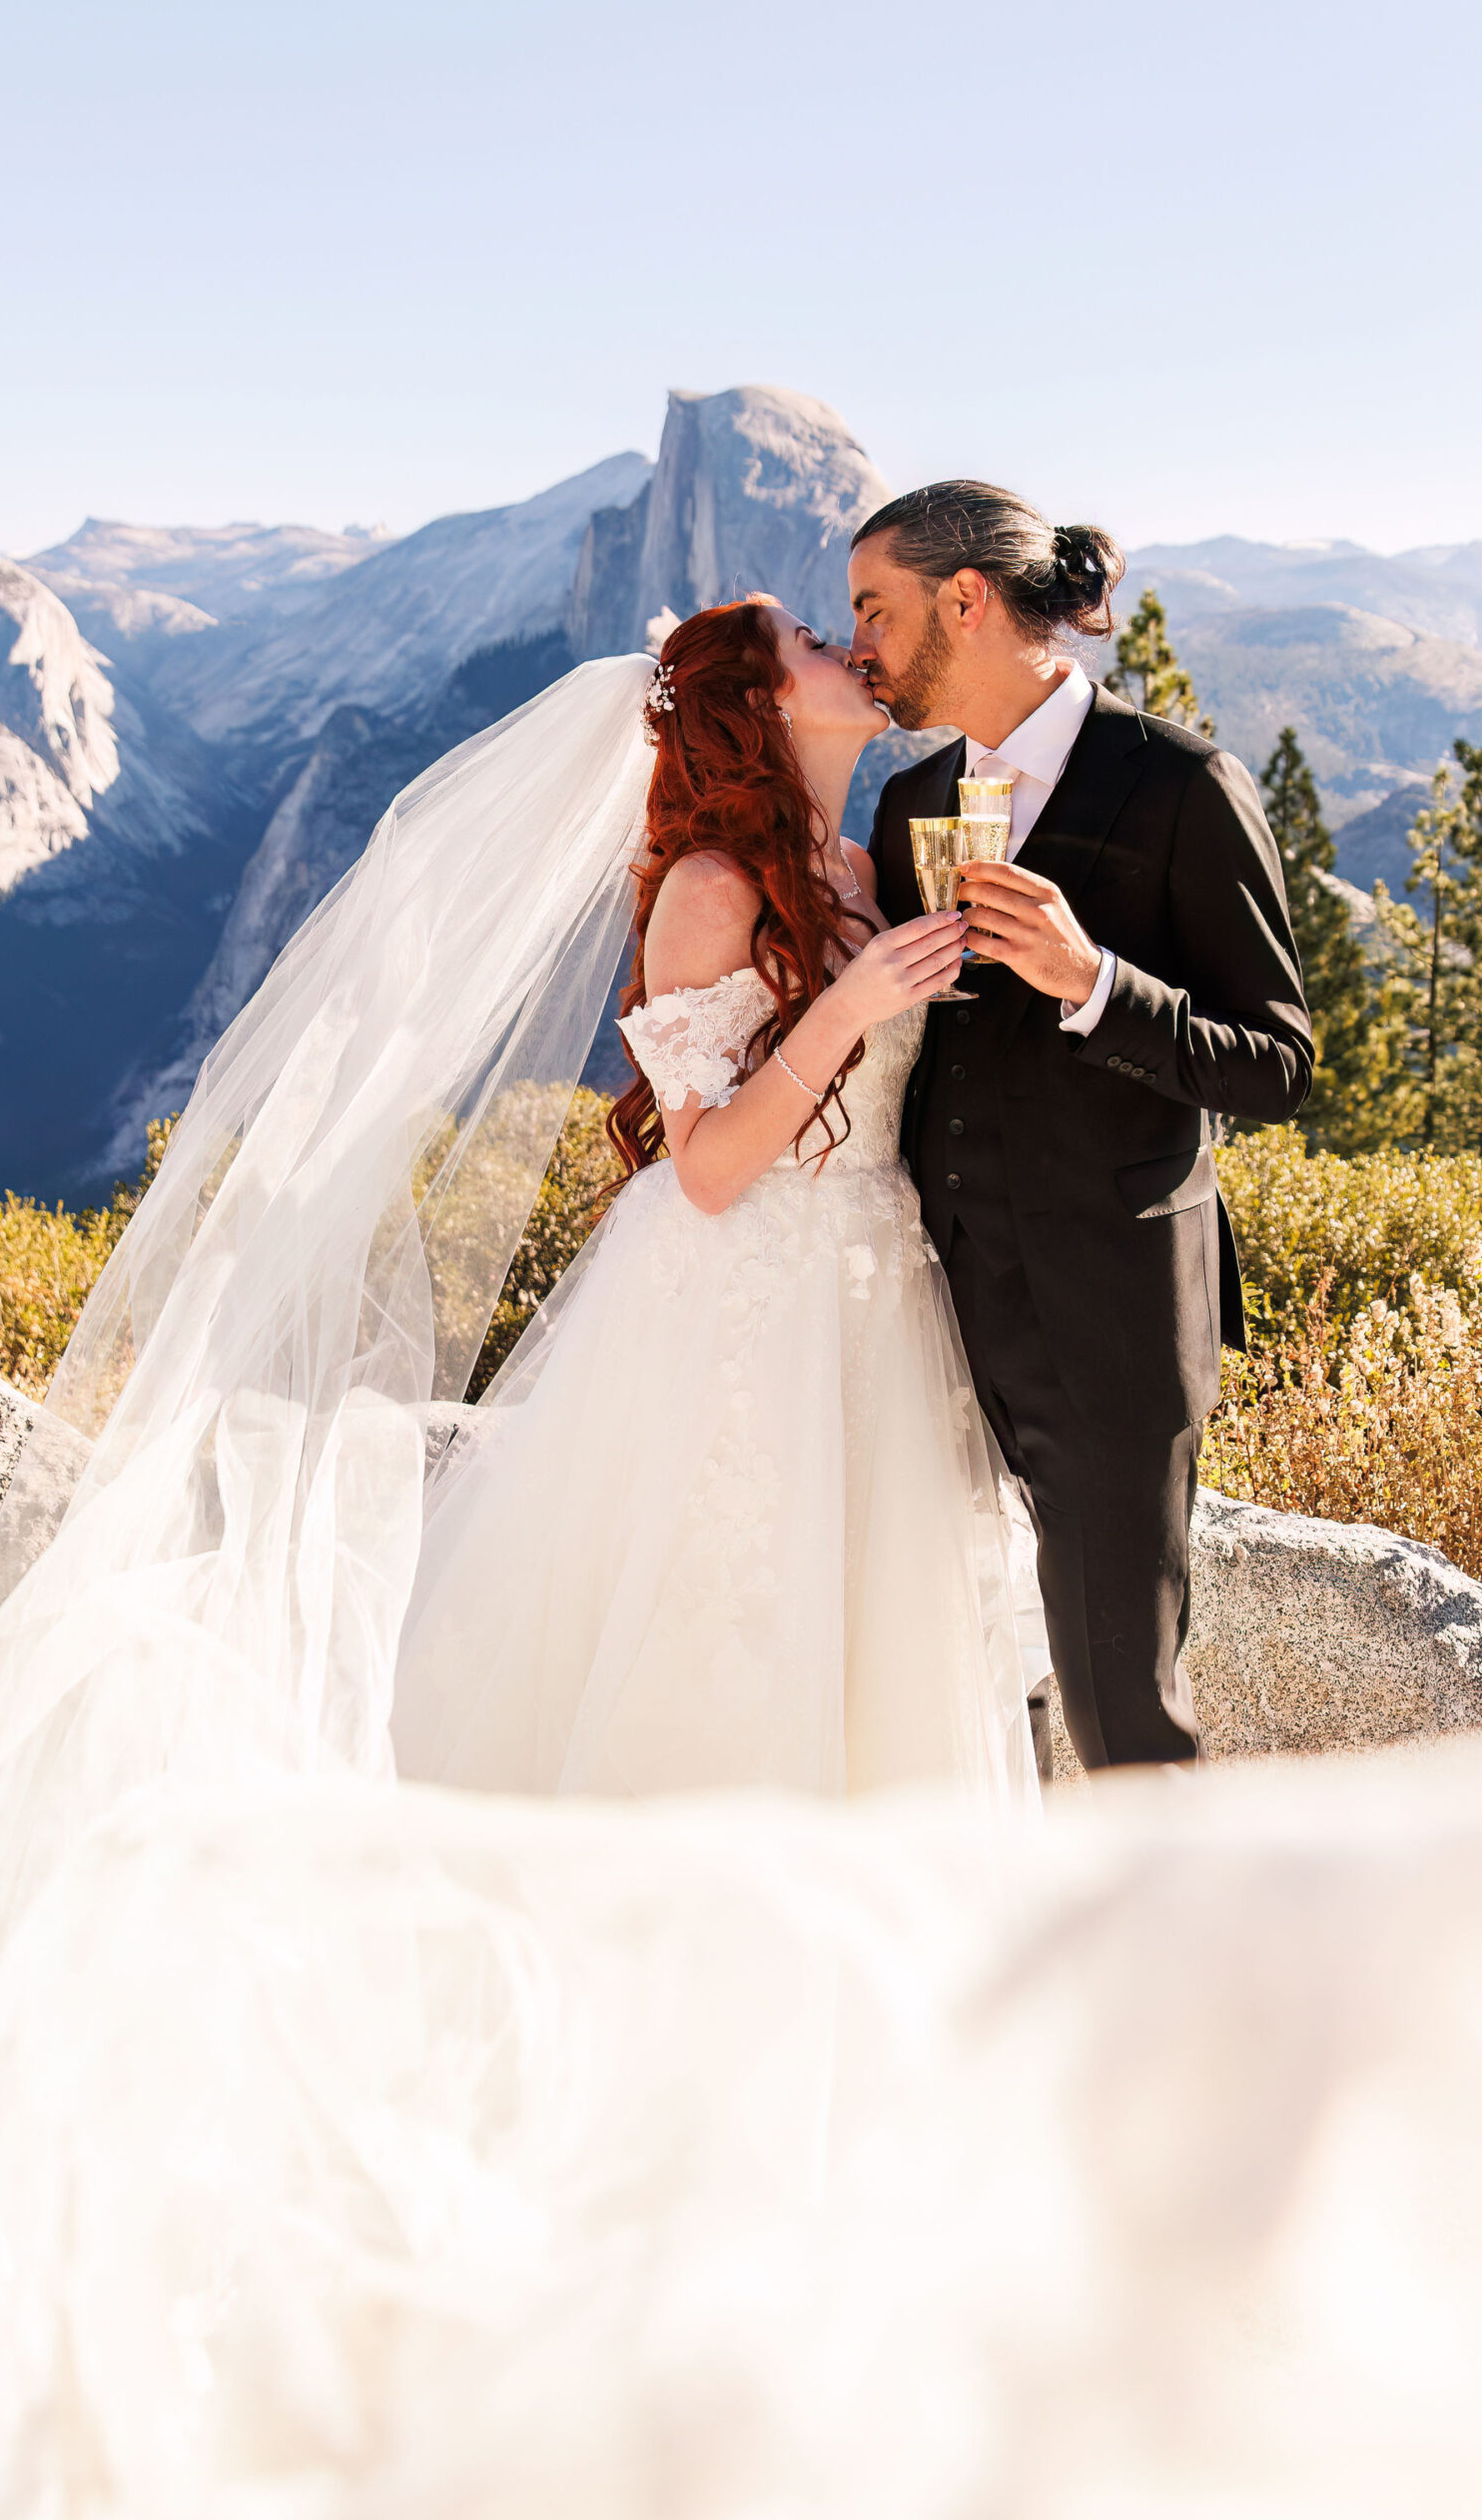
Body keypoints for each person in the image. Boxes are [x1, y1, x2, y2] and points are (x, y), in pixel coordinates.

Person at [391, 598, 1035, 1802]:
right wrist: (852, 1005)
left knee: (877, 1658)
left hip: (873, 1291)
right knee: (728, 1635)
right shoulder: (711, 885)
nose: (841, 645)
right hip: (740, 1314)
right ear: (766, 701)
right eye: (805, 639)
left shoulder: (856, 868)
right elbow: (703, 1166)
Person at [850, 483, 1314, 1773]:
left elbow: (1277, 1064)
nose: (859, 647)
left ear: (964, 601)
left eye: (873, 611)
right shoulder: (909, 807)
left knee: (1122, 1709)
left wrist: (1093, 982)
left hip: (1109, 1318)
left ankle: (1166, 1964)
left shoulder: (1178, 788)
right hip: (926, 1311)